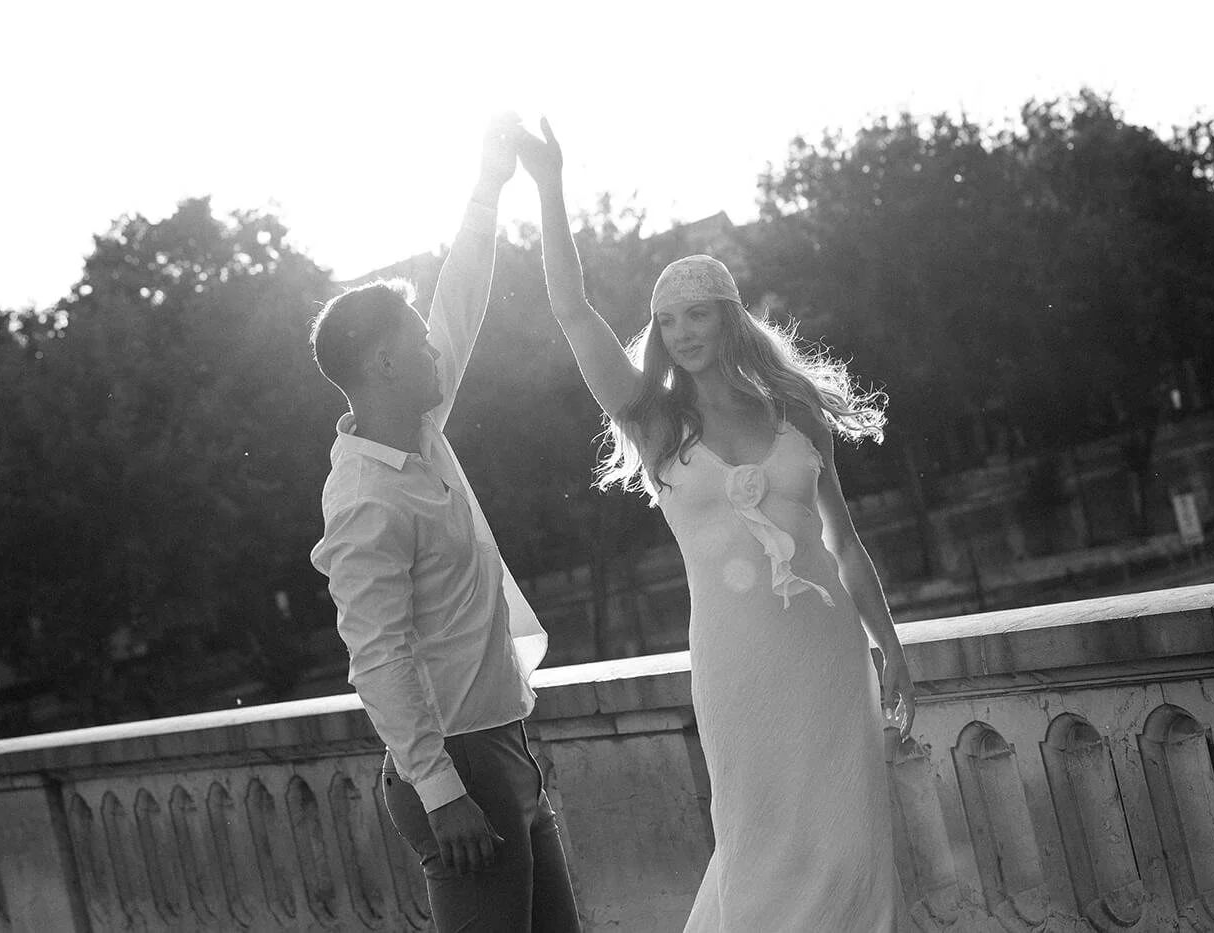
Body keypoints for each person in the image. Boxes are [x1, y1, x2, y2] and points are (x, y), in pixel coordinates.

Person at [517, 119, 914, 932]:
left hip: (829, 655)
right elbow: (571, 310)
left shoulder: (796, 408)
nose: (685, 332)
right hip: (738, 666)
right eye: (669, 320)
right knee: (758, 839)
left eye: (700, 314)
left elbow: (843, 539)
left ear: (729, 318)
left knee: (848, 844)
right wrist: (549, 189)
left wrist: (891, 645)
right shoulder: (654, 421)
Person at [309, 115, 581, 933]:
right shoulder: (364, 498)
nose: (437, 348)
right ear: (386, 363)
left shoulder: (421, 432)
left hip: (502, 742)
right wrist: (442, 790)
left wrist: (491, 183)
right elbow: (376, 653)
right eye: (417, 341)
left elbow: (459, 299)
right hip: (460, 767)